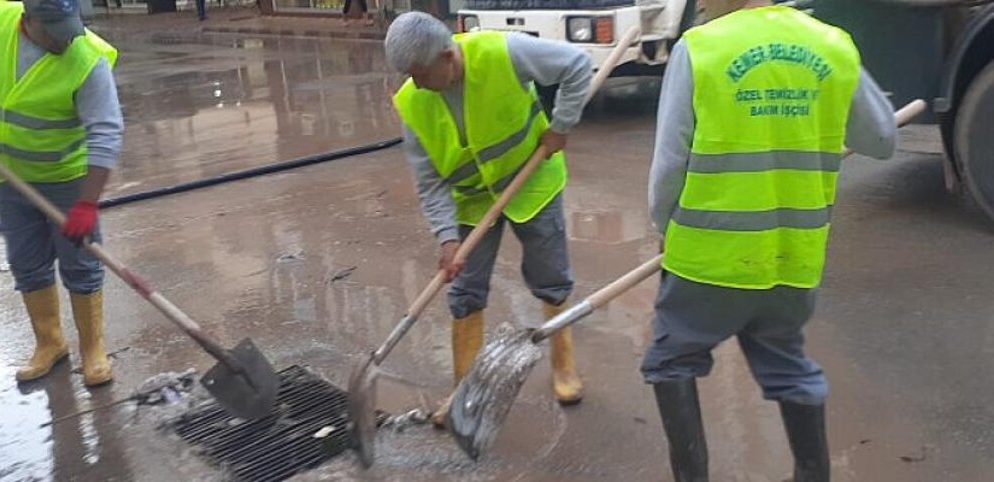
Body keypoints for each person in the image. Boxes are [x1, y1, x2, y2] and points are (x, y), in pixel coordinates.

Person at [643, 0, 896, 480]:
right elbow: (882, 141)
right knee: (787, 364)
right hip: (791, 258)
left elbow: (669, 165)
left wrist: (663, 227)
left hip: (707, 260)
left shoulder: (700, 49)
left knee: (671, 360)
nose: (696, 6)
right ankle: (812, 473)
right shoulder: (832, 43)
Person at [384, 12, 592, 423]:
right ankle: (463, 392)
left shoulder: (503, 52)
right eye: (410, 75)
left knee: (550, 278)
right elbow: (430, 182)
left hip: (532, 182)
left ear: (448, 57)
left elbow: (577, 65)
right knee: (464, 292)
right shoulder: (414, 103)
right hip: (473, 202)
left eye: (422, 74)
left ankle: (564, 366)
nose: (417, 84)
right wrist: (447, 239)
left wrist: (562, 126)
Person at [0, 0, 124, 387]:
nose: (66, 39)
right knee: (27, 262)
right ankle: (50, 344)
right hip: (10, 177)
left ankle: (93, 349)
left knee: (81, 262)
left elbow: (106, 134)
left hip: (67, 179)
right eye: (55, 29)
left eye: (70, 26)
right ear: (28, 20)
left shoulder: (88, 60)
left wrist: (87, 202)